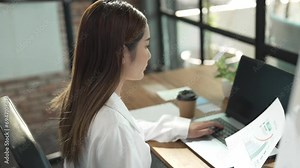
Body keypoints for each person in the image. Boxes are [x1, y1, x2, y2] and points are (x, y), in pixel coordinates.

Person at [50, 0, 223, 167]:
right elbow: (122, 132)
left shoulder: (82, 99)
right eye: (146, 45)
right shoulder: (113, 126)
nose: (149, 55)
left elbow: (132, 130)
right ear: (123, 53)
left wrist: (181, 128)